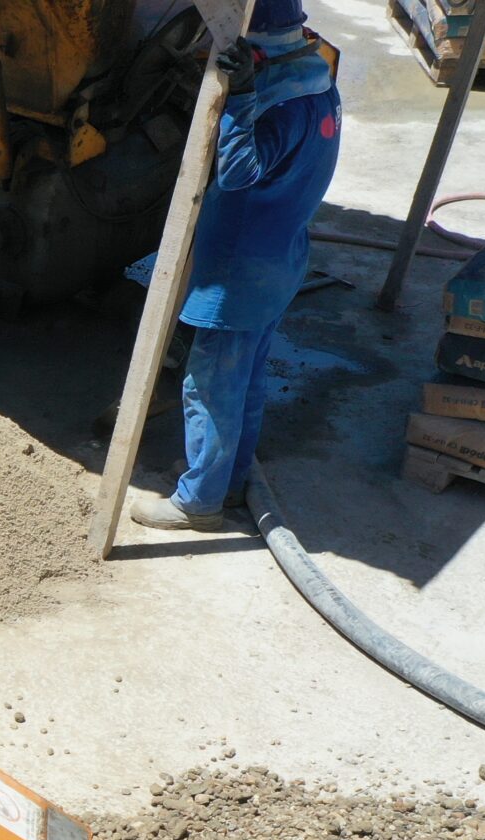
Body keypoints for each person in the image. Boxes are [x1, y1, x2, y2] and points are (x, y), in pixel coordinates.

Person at [130, 0, 341, 531]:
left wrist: (242, 97)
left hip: (238, 275)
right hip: (280, 259)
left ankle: (198, 501)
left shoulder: (277, 102)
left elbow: (240, 171)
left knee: (210, 387)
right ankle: (228, 478)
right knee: (244, 382)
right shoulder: (319, 83)